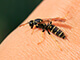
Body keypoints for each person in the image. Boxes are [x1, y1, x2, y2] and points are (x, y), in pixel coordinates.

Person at [0, 0, 80, 60]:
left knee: (51, 34)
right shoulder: (39, 22)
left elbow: (40, 29)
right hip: (50, 26)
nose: (32, 26)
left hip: (52, 28)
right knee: (49, 28)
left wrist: (40, 37)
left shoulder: (37, 24)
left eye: (32, 25)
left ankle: (57, 43)